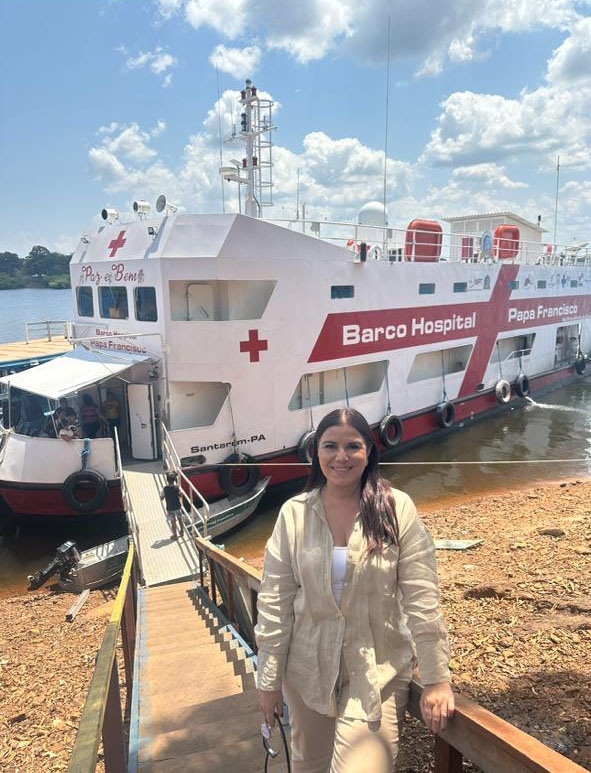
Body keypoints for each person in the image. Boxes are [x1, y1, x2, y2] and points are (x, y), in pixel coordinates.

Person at [255, 408, 454, 772]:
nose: (341, 456)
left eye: (353, 446)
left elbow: (422, 598)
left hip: (375, 671)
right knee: (308, 766)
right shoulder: (294, 514)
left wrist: (437, 678)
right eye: (330, 446)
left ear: (369, 452)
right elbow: (274, 603)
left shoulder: (397, 509)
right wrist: (268, 681)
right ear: (316, 452)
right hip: (306, 672)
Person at [160, 471, 184, 540]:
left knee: (173, 522)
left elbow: (161, 498)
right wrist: (178, 495)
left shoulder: (165, 489)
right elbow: (181, 495)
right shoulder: (177, 487)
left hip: (170, 508)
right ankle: (182, 532)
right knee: (180, 520)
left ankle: (175, 535)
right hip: (177, 507)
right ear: (174, 480)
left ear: (167, 480)